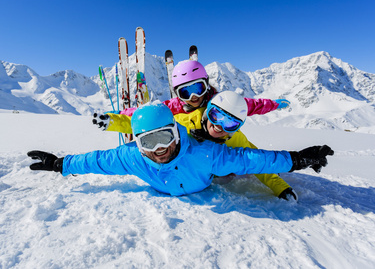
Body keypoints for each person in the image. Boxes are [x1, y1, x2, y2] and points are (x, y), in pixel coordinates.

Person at [28, 103, 334, 197]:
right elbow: (96, 161)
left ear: (177, 132)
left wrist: (298, 159)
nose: (160, 149)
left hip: (208, 177)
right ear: (137, 144)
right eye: (149, 142)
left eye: (165, 137)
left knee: (230, 168)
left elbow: (252, 159)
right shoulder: (131, 157)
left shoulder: (202, 152)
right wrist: (60, 164)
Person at [94, 92, 297, 200]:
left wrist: (281, 187)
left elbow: (257, 163)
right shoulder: (183, 121)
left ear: (238, 127)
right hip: (189, 170)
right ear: (208, 111)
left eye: (230, 124)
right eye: (216, 116)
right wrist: (113, 122)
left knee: (230, 171)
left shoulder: (236, 140)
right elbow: (149, 126)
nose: (219, 127)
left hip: (213, 173)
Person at [118, 60, 290, 116]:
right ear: (178, 95)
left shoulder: (220, 102)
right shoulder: (175, 106)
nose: (193, 96)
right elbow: (149, 112)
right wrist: (121, 114)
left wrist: (273, 104)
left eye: (198, 88)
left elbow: (250, 105)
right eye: (185, 92)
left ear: (207, 85)